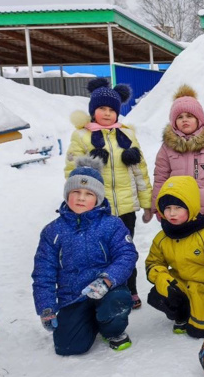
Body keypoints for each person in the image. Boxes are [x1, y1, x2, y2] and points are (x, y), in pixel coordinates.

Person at [33, 157, 138, 354]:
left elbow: (127, 255)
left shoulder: (112, 225)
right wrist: (46, 307)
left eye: (88, 194)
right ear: (67, 195)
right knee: (68, 347)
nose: (81, 198)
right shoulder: (53, 231)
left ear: (97, 198)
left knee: (117, 302)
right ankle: (87, 320)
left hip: (107, 291)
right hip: (73, 296)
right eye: (76, 192)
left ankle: (111, 329)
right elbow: (43, 273)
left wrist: (107, 280)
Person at [65, 78, 152, 310]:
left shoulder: (127, 135)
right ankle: (107, 291)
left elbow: (140, 172)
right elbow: (71, 172)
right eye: (102, 108)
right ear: (93, 111)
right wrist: (90, 164)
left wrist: (147, 203)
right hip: (97, 210)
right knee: (100, 253)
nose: (106, 113)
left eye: (112, 109)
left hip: (125, 209)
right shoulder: (81, 136)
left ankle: (130, 289)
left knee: (125, 251)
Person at [145, 175, 204, 338]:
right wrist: (161, 277)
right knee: (156, 295)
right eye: (167, 208)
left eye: (178, 208)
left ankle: (199, 312)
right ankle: (182, 314)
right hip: (180, 284)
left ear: (191, 207)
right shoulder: (162, 237)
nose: (172, 213)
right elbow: (153, 262)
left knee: (198, 331)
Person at [152, 84, 204, 232]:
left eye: (189, 116)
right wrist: (158, 206)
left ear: (199, 119)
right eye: (180, 117)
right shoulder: (167, 147)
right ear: (174, 122)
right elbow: (160, 178)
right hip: (179, 210)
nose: (185, 120)